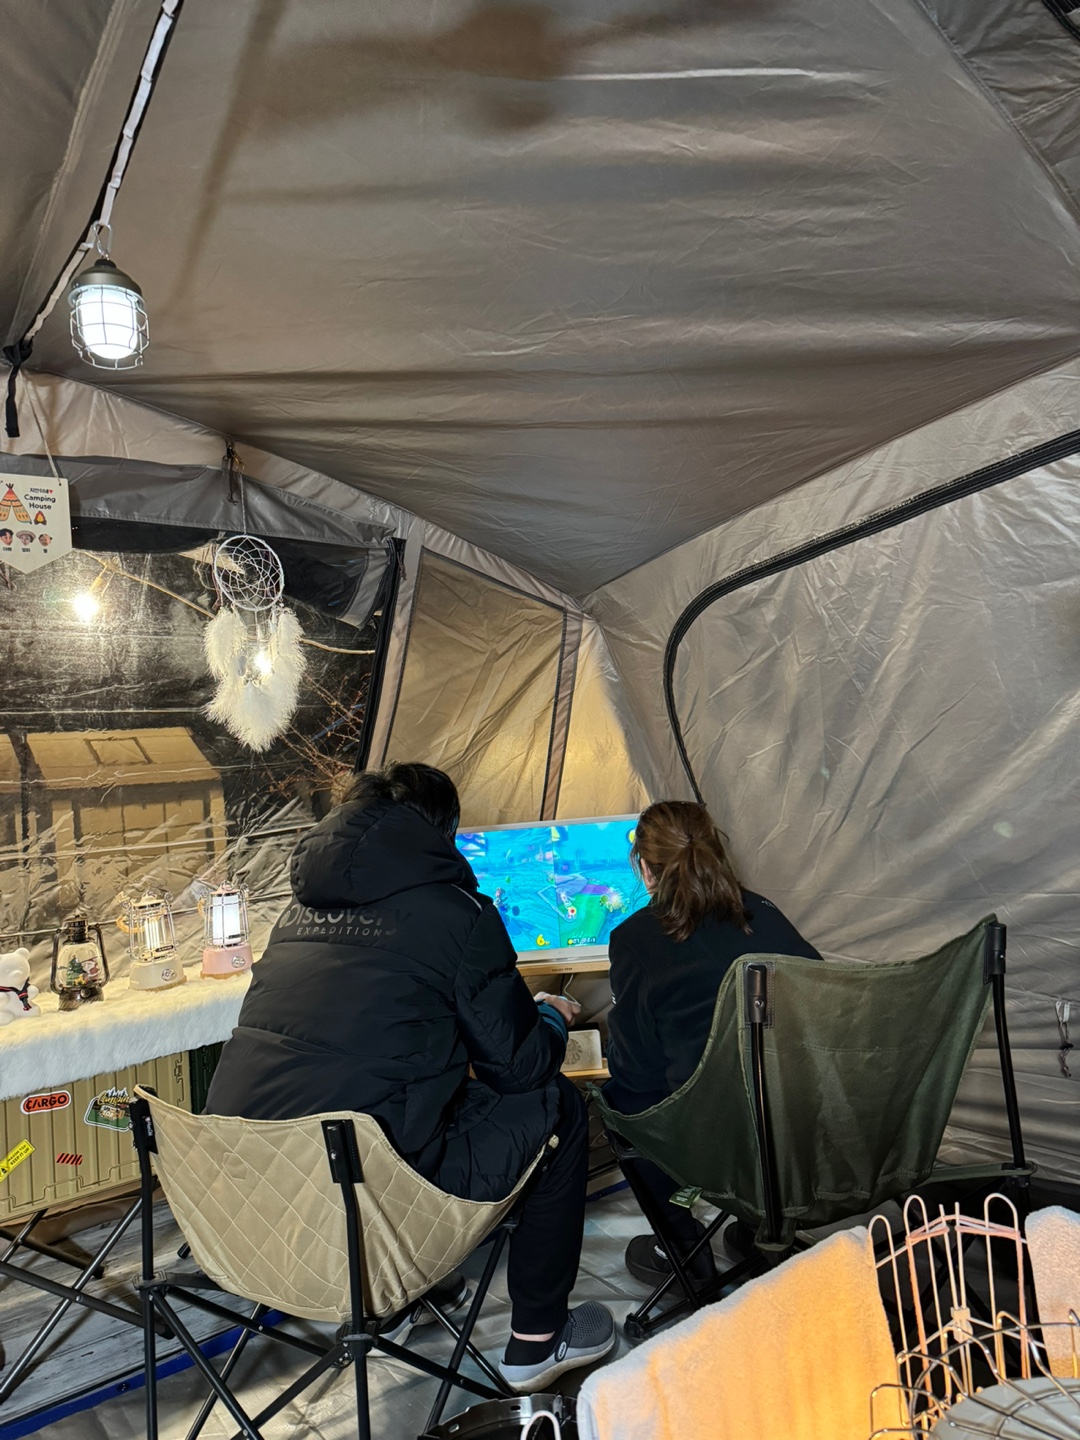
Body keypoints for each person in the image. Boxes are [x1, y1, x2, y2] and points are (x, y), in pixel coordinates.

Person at [205, 762, 615, 1392]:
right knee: (553, 1102)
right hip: (367, 1202)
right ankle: (538, 1339)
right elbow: (519, 1069)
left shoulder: (296, 914)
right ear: (441, 832)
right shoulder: (458, 912)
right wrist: (550, 1020)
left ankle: (408, 1295)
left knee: (404, 1097)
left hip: (246, 1208)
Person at [604, 800, 820, 1287]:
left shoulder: (635, 939)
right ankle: (761, 1225)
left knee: (621, 1101)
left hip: (715, 1140)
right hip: (799, 1122)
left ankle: (682, 1250)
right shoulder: (764, 912)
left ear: (645, 868)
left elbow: (635, 1071)